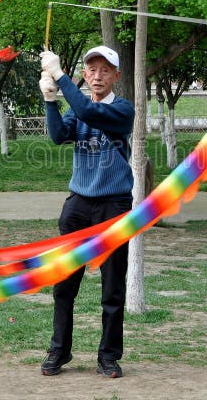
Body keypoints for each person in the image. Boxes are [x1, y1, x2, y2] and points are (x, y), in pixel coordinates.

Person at [38, 45, 134, 379]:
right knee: (64, 284)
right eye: (91, 70)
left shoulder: (123, 110)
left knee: (112, 288)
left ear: (116, 76)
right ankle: (58, 351)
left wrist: (61, 76)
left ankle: (108, 356)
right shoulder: (77, 106)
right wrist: (50, 100)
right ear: (85, 73)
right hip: (78, 205)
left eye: (105, 70)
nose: (97, 76)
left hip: (114, 206)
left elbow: (89, 113)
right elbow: (58, 136)